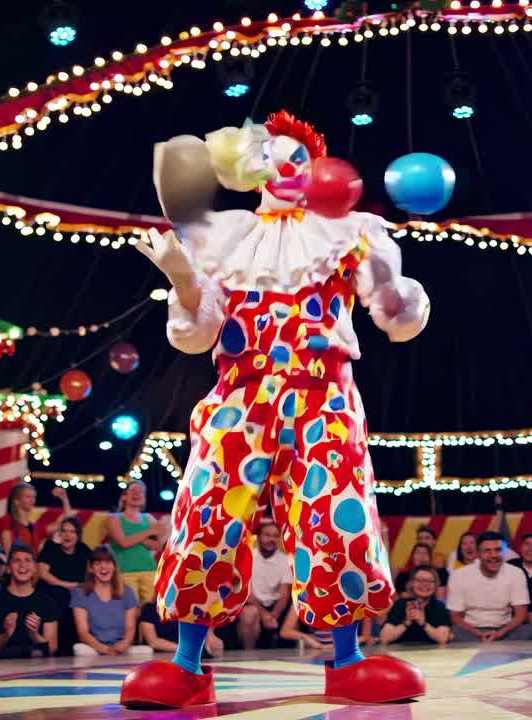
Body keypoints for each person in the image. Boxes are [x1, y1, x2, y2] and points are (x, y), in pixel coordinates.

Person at [121, 112, 430, 707]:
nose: (286, 167)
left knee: (335, 509)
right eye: (273, 156)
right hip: (240, 394)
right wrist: (184, 279)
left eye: (298, 159)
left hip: (324, 394)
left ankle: (347, 660)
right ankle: (186, 664)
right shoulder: (223, 235)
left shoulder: (349, 229)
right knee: (209, 511)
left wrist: (391, 281)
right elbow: (195, 333)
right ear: (249, 166)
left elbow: (399, 321)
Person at [447, 532, 532, 642]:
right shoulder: (459, 575)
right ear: (478, 553)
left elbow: (521, 614)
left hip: (505, 629)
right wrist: (480, 634)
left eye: (498, 550)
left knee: (530, 629)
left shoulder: (516, 573)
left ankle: (494, 643)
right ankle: (497, 645)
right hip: (471, 630)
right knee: (453, 631)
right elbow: (455, 617)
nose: (493, 555)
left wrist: (499, 634)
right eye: (487, 551)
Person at [0, 543, 59, 658]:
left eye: (27, 560)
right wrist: (6, 635)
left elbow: (52, 648)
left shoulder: (47, 602)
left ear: (35, 568)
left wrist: (34, 634)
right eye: (17, 561)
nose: (22, 565)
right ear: (8, 568)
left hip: (35, 669)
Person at [70, 545, 153, 657]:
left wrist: (124, 644)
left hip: (121, 648)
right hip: (93, 648)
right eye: (98, 563)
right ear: (91, 568)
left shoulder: (126, 591)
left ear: (114, 567)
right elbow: (83, 632)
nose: (103, 567)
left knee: (146, 651)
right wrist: (105, 649)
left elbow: (130, 628)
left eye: (108, 563)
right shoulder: (80, 592)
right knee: (79, 649)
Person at [236, 521, 293, 650]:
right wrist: (264, 615)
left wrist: (273, 616)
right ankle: (248, 655)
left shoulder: (285, 560)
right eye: (267, 535)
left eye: (275, 536)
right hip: (252, 604)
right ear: (259, 537)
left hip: (275, 608)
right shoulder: (248, 556)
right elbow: (246, 592)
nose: (271, 539)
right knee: (250, 613)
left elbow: (284, 593)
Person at [38, 516, 90, 653]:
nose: (67, 535)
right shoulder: (50, 547)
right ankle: (57, 648)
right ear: (60, 533)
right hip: (52, 590)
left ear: (78, 535)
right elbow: (43, 573)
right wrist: (65, 584)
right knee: (60, 597)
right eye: (64, 531)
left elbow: (92, 573)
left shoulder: (83, 550)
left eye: (72, 532)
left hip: (76, 591)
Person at [106, 480, 163, 606]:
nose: (137, 494)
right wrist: (148, 532)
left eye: (140, 492)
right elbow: (123, 543)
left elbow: (158, 546)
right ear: (124, 496)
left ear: (144, 498)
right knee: (131, 611)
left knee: (150, 610)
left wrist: (135, 538)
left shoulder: (148, 518)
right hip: (125, 571)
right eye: (133, 491)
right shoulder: (114, 518)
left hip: (149, 570)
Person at [380, 566, 453, 645]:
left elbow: (443, 639)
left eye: (430, 581)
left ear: (436, 585)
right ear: (411, 584)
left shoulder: (439, 607)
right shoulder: (400, 605)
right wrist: (407, 622)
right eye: (420, 580)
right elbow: (385, 638)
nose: (425, 584)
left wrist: (423, 624)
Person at [139, 602, 224, 656]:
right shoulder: (149, 609)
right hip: (162, 657)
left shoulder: (193, 608)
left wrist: (210, 639)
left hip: (192, 656)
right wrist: (184, 649)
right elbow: (153, 642)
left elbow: (211, 640)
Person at [0, 483, 51, 555]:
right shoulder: (6, 521)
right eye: (28, 497)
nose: (33, 500)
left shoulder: (34, 526)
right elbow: (9, 554)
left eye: (34, 497)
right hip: (15, 565)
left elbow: (64, 522)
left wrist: (64, 499)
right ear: (16, 501)